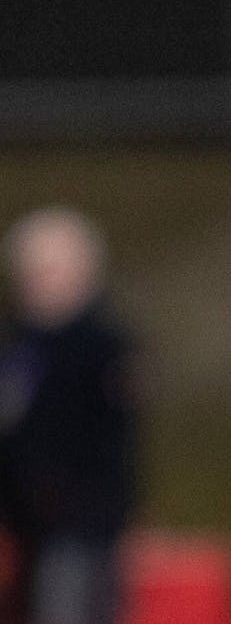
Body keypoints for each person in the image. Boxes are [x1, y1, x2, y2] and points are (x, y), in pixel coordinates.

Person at [0, 208, 137, 624]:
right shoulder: (22, 344)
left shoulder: (99, 348)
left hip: (77, 526)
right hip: (26, 524)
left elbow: (109, 441)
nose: (36, 284)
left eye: (47, 272)